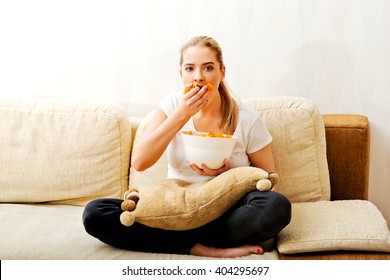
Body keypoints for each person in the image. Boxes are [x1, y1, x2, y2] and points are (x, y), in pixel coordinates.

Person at [83, 36, 291, 258]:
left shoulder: (247, 118)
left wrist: (227, 175)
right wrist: (181, 115)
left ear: (222, 72)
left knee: (277, 206)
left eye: (208, 68)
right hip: (176, 206)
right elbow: (140, 162)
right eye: (190, 69)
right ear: (181, 74)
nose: (198, 77)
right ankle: (198, 245)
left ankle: (180, 241)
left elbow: (269, 179)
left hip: (225, 209)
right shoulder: (172, 105)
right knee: (95, 213)